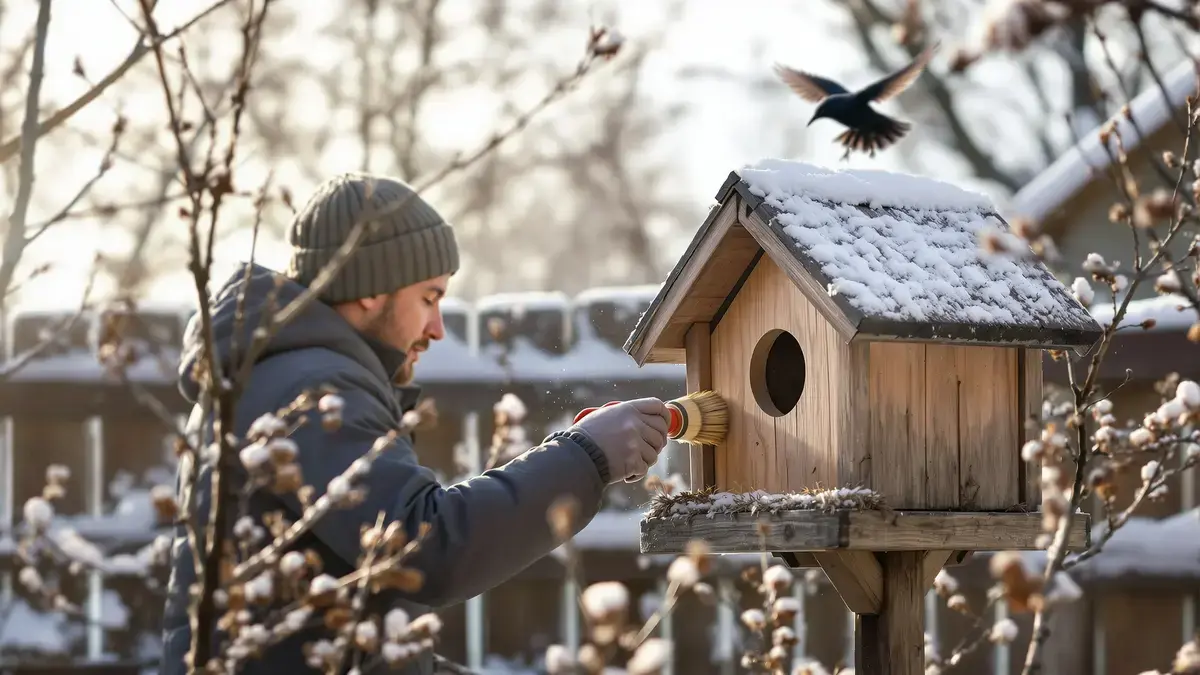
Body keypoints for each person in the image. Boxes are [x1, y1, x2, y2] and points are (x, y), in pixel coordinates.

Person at [159, 172, 672, 674]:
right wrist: (584, 457)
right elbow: (422, 548)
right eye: (428, 297)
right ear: (371, 291)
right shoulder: (309, 387)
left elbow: (352, 607)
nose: (437, 327)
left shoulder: (284, 373)